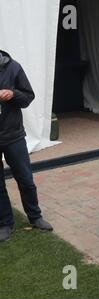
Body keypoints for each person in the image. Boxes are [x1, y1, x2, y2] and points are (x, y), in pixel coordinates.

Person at [0, 50, 53, 242]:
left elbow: (28, 97)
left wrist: (12, 93)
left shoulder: (13, 67)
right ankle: (5, 223)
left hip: (13, 136)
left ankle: (35, 217)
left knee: (26, 179)